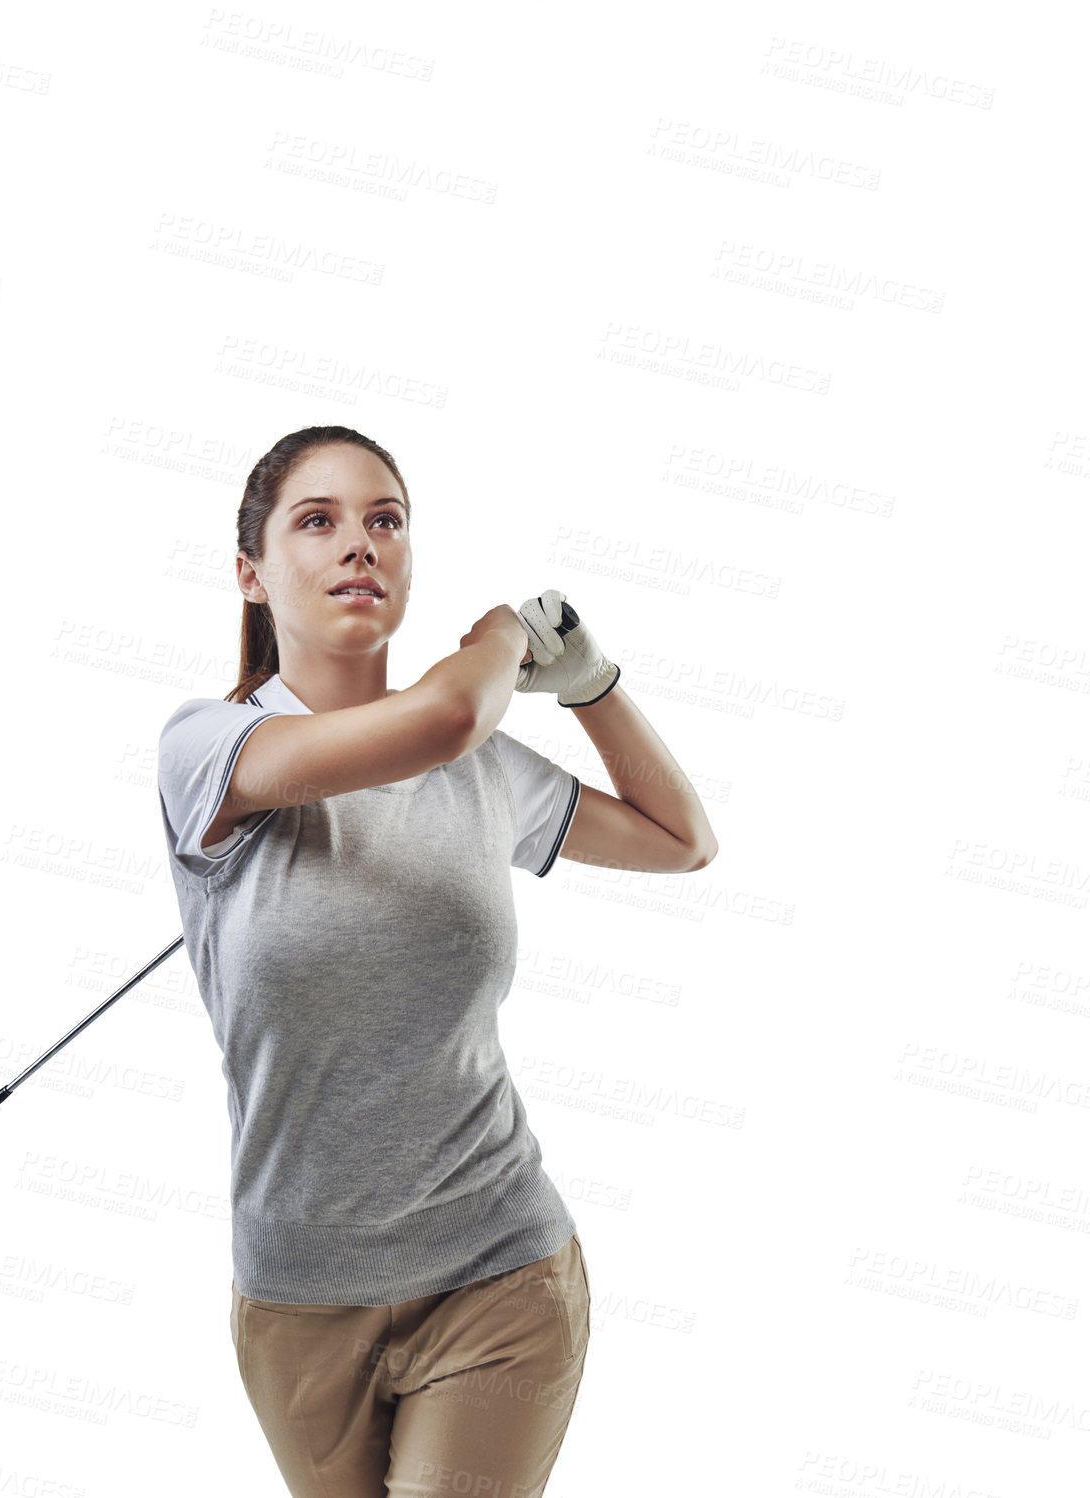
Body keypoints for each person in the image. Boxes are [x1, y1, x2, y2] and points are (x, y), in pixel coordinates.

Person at [156, 426, 717, 1497]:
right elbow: (449, 709)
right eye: (316, 521)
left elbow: (679, 838)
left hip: (494, 1269)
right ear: (251, 572)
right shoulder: (206, 750)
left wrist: (593, 684)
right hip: (297, 1298)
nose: (357, 543)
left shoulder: (479, 769)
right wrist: (504, 635)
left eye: (385, 521)